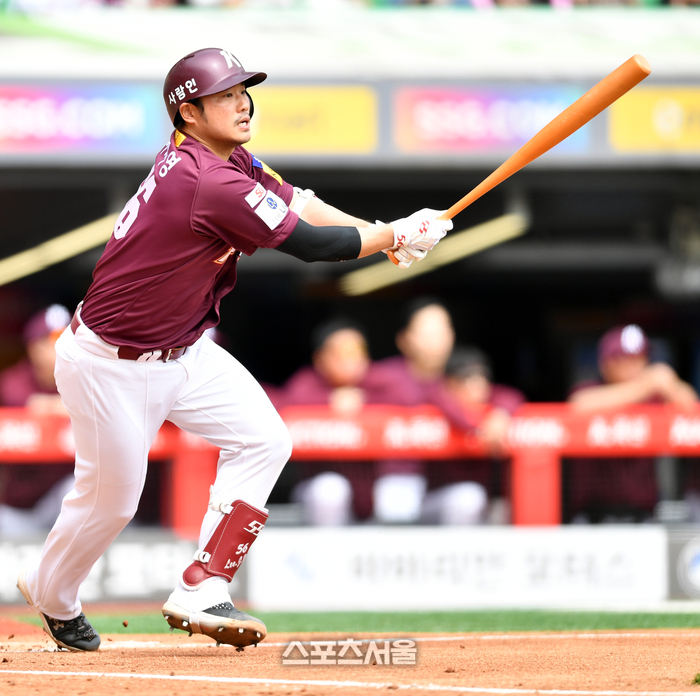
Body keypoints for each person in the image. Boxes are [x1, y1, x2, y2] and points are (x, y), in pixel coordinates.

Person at [16, 47, 452, 652]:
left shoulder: (228, 158)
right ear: (189, 113)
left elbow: (300, 204)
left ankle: (204, 582)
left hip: (185, 348)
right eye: (224, 95)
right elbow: (313, 247)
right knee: (111, 501)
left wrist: (386, 235)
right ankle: (53, 593)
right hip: (109, 362)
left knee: (265, 440)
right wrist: (394, 235)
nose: (243, 103)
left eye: (243, 91)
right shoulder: (206, 180)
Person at [567, 324, 697, 523]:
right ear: (605, 363)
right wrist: (644, 386)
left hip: (642, 516)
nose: (634, 367)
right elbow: (577, 406)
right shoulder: (590, 389)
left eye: (639, 358)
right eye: (625, 360)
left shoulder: (654, 397)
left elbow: (691, 409)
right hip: (591, 517)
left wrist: (671, 383)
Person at [363, 297, 477, 523]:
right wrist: (342, 396)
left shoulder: (464, 379)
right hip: (396, 484)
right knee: (395, 500)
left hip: (443, 488)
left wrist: (501, 411)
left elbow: (505, 396)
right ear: (404, 339)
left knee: (468, 498)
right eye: (427, 332)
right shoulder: (382, 377)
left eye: (442, 330)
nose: (437, 340)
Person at [271, 317, 374, 525]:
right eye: (340, 353)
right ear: (320, 358)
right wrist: (329, 401)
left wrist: (367, 400)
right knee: (330, 490)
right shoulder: (305, 384)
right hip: (315, 494)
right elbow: (280, 404)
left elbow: (410, 395)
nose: (349, 360)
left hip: (369, 497)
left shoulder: (379, 382)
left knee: (397, 490)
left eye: (356, 351)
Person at [422, 345, 526, 525]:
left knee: (504, 506)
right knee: (467, 498)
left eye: (480, 377)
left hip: (483, 505)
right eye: (466, 378)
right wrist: (482, 425)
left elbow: (512, 396)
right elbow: (445, 404)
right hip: (436, 504)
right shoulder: (436, 398)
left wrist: (501, 413)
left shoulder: (495, 403)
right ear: (449, 383)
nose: (475, 385)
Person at [0, 305, 74, 535]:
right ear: (34, 348)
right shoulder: (13, 382)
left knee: (75, 488)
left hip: (60, 504)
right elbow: (32, 405)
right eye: (54, 340)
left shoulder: (85, 380)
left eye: (69, 338)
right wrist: (73, 408)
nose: (64, 347)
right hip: (19, 511)